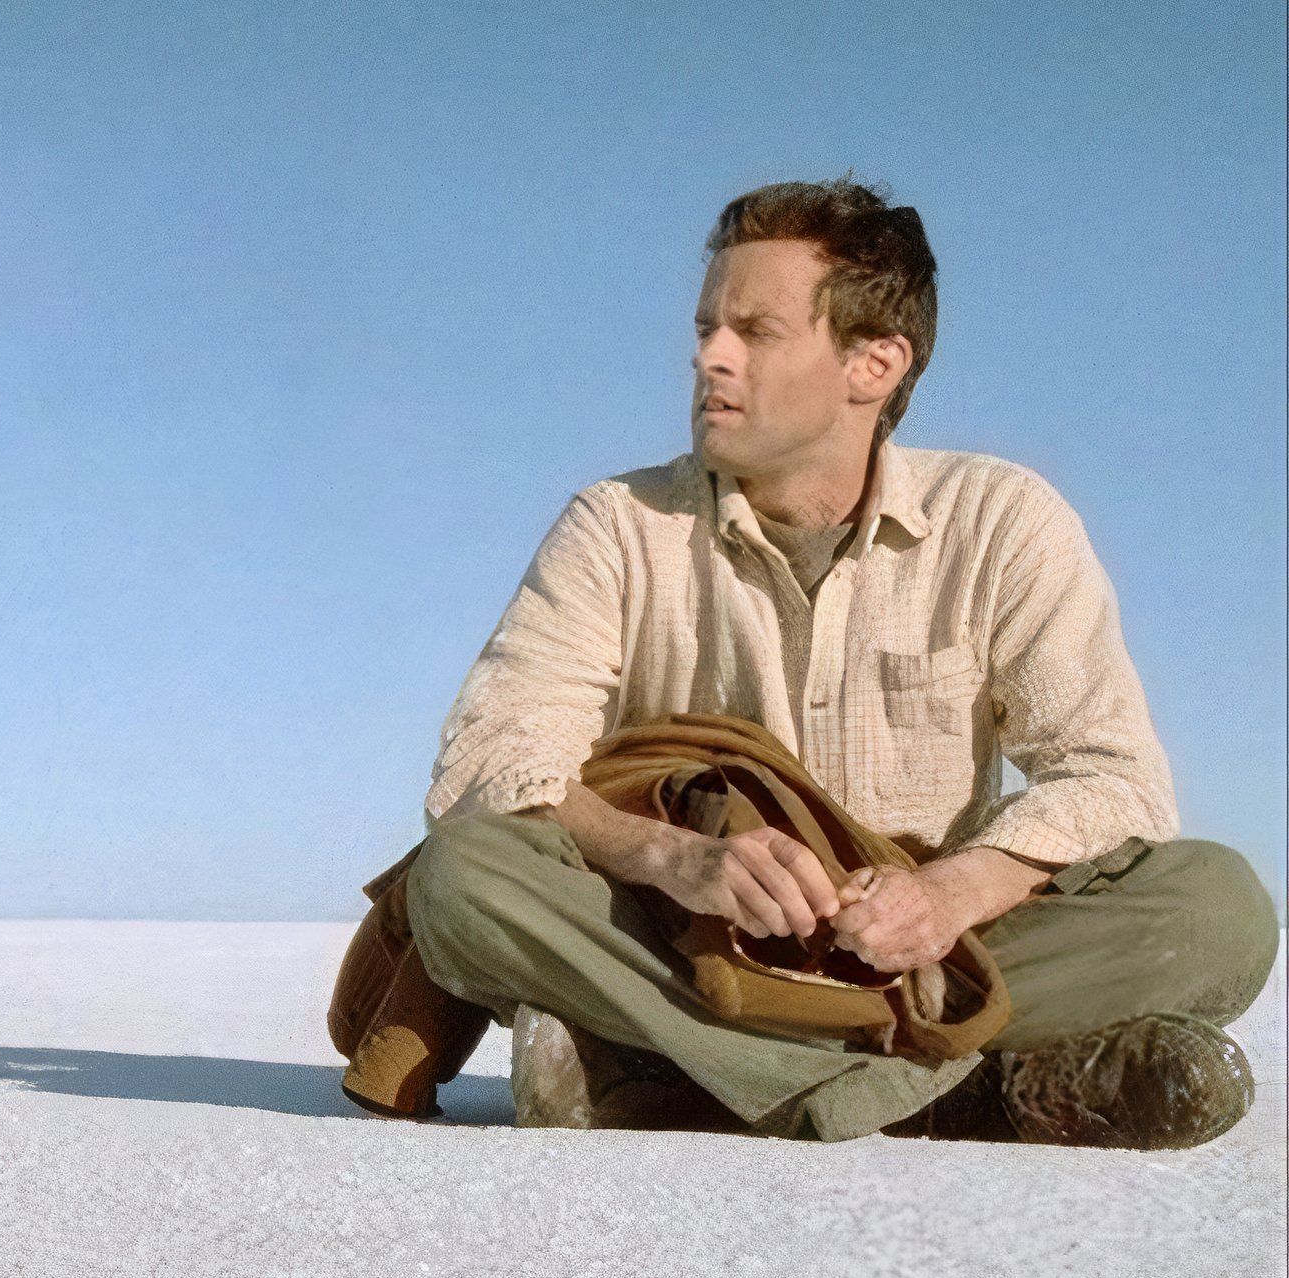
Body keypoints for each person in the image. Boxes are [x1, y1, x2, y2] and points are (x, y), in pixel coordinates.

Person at [405, 178, 1275, 1147]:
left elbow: (1113, 777)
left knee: (1220, 909)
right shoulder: (618, 524)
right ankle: (967, 1092)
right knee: (464, 876)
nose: (709, 358)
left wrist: (949, 896)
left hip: (930, 950)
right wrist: (676, 858)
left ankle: (680, 1074)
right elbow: (491, 762)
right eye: (704, 328)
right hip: (693, 942)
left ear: (874, 363)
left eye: (754, 331)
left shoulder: (1003, 520)